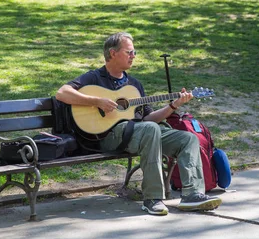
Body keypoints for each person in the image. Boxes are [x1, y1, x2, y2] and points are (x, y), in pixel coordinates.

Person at [56, 32, 222, 216]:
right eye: (129, 52)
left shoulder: (134, 85)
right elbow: (62, 93)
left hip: (139, 133)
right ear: (112, 53)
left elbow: (149, 119)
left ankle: (192, 195)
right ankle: (152, 199)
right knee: (150, 130)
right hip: (106, 137)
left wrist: (174, 105)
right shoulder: (94, 78)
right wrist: (97, 101)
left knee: (188, 138)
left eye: (134, 52)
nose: (133, 56)